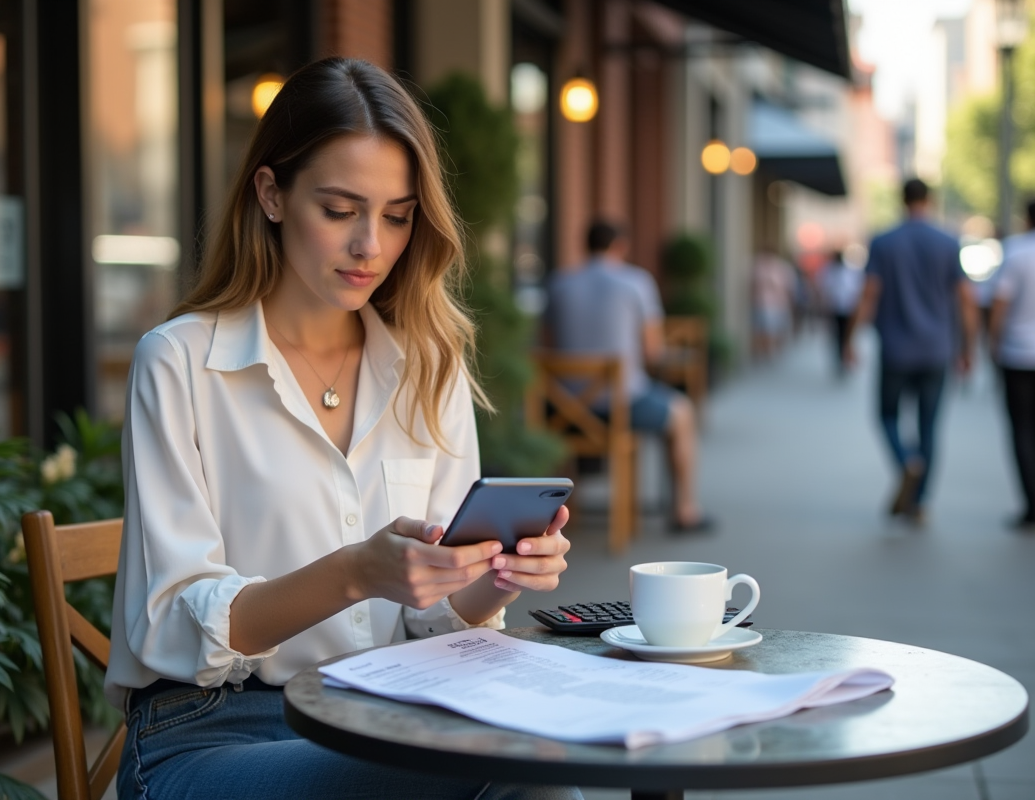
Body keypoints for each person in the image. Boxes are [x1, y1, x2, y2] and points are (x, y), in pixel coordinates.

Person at [105, 58, 579, 800]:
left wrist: (490, 580)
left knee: (529, 774)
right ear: (271, 194)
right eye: (339, 210)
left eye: (396, 215)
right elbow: (171, 623)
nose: (372, 246)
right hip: (210, 734)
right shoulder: (179, 363)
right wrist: (357, 572)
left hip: (380, 713)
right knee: (503, 773)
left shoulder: (428, 366)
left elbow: (433, 629)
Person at [545, 220, 712, 532]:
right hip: (621, 404)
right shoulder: (636, 282)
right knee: (682, 413)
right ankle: (684, 510)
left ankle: (564, 513)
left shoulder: (558, 283)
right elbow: (653, 352)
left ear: (586, 245)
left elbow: (549, 344)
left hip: (563, 408)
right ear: (620, 246)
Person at [844, 178, 978, 524]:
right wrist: (968, 348)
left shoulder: (884, 242)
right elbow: (965, 300)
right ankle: (919, 503)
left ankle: (906, 462)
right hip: (937, 349)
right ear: (929, 201)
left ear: (902, 201)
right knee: (929, 427)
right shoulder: (948, 242)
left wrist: (850, 339)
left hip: (896, 348)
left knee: (887, 415)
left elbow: (869, 292)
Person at [990, 199, 1035, 531]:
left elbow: (1000, 304)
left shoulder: (1017, 252)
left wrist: (992, 344)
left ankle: (1031, 503)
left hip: (1018, 355)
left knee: (1022, 429)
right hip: (1018, 354)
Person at [818, 249, 864, 377]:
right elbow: (824, 290)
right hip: (835, 309)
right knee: (837, 336)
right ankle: (840, 361)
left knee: (846, 335)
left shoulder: (850, 271)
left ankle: (846, 360)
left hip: (848, 309)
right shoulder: (829, 271)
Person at [750, 250, 796, 360]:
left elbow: (788, 287)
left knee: (776, 328)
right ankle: (764, 351)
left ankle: (772, 350)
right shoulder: (759, 267)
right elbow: (754, 285)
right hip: (762, 303)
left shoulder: (782, 267)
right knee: (762, 328)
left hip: (778, 303)